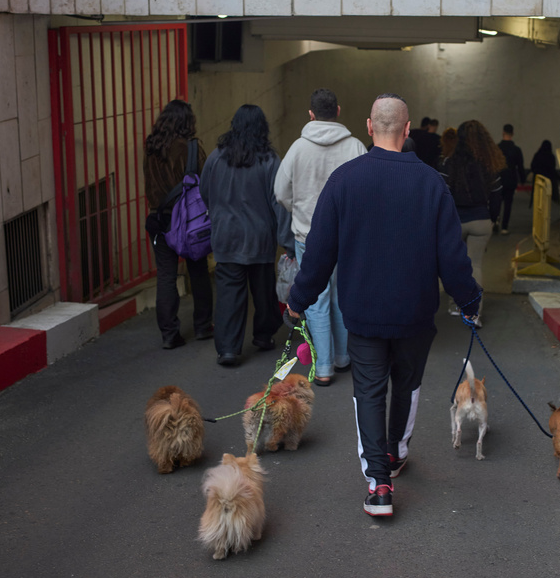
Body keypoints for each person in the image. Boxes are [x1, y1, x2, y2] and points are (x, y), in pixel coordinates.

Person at [286, 94, 481, 518]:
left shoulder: (344, 181)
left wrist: (298, 301)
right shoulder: (432, 183)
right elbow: (453, 258)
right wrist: (469, 302)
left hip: (364, 314)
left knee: (369, 391)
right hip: (415, 314)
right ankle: (395, 453)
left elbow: (319, 254)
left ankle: (379, 484)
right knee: (407, 386)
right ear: (407, 129)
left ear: (370, 128)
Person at [274, 88, 367, 386]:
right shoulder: (355, 147)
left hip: (308, 236)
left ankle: (324, 367)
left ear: (311, 114)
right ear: (338, 111)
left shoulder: (298, 148)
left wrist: (299, 211)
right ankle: (343, 358)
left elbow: (280, 192)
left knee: (316, 298)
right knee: (341, 295)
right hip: (346, 236)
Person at [200, 105, 294, 367]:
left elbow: (204, 191)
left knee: (229, 292)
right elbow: (279, 202)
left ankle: (228, 348)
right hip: (259, 238)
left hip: (226, 237)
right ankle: (263, 336)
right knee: (263, 290)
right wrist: (287, 240)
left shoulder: (216, 157)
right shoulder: (268, 159)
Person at [143, 99, 213, 350]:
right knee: (198, 270)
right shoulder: (191, 148)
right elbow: (204, 184)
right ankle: (204, 325)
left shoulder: (151, 147)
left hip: (159, 220)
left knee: (166, 276)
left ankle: (169, 334)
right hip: (189, 223)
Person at [438, 120, 502, 328]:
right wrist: (492, 219)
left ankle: (454, 304)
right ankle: (474, 314)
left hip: (455, 222)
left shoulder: (449, 163)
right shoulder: (489, 164)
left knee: (454, 265)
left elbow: (442, 195)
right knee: (475, 265)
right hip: (481, 220)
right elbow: (497, 195)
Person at [497, 124, 525, 234]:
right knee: (508, 204)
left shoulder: (497, 148)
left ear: (503, 133)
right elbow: (520, 166)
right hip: (511, 179)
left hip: (498, 179)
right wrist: (522, 180)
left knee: (497, 202)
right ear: (512, 134)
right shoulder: (517, 150)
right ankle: (504, 227)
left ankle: (495, 221)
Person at [529, 139, 560, 205]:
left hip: (538, 178)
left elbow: (532, 166)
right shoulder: (551, 157)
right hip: (548, 179)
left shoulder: (538, 155)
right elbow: (552, 168)